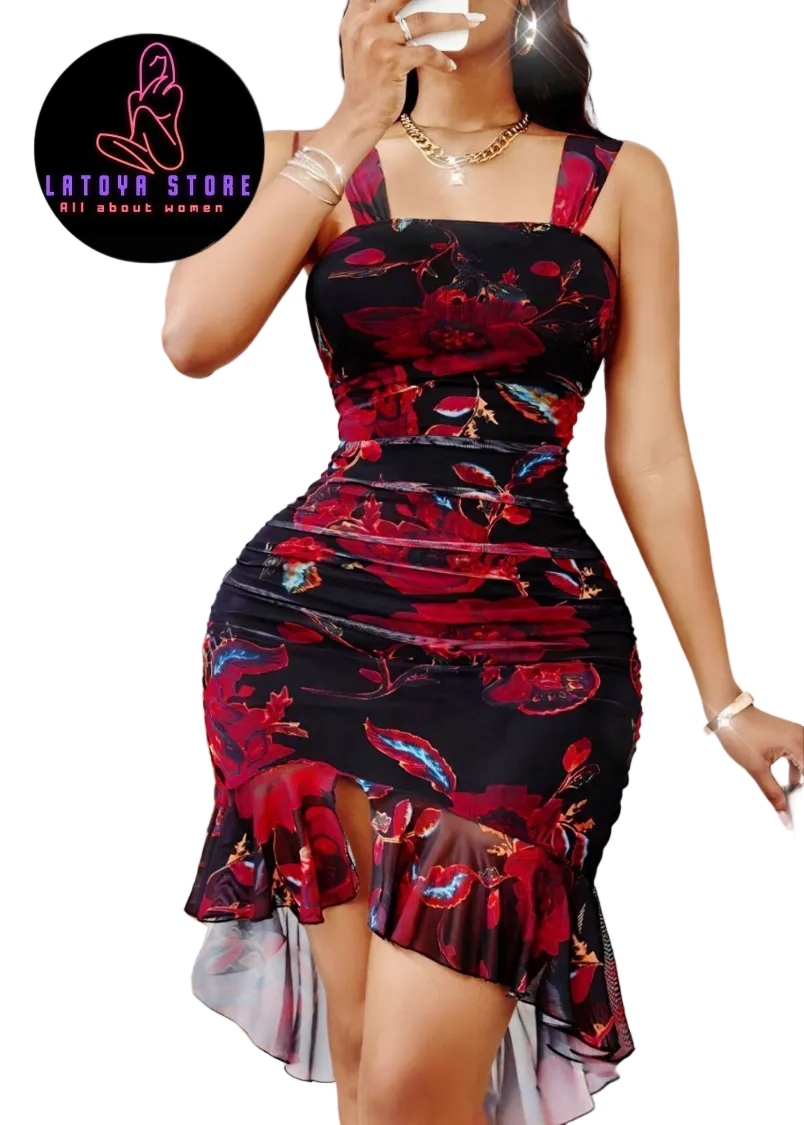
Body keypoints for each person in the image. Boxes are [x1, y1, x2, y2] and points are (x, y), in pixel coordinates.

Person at [162, 4, 803, 1124]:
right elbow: (192, 338)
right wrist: (352, 118)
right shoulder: (295, 154)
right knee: (372, 1068)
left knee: (410, 1084)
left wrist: (728, 697)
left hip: (538, 651)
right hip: (307, 632)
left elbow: (651, 447)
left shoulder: (623, 180)